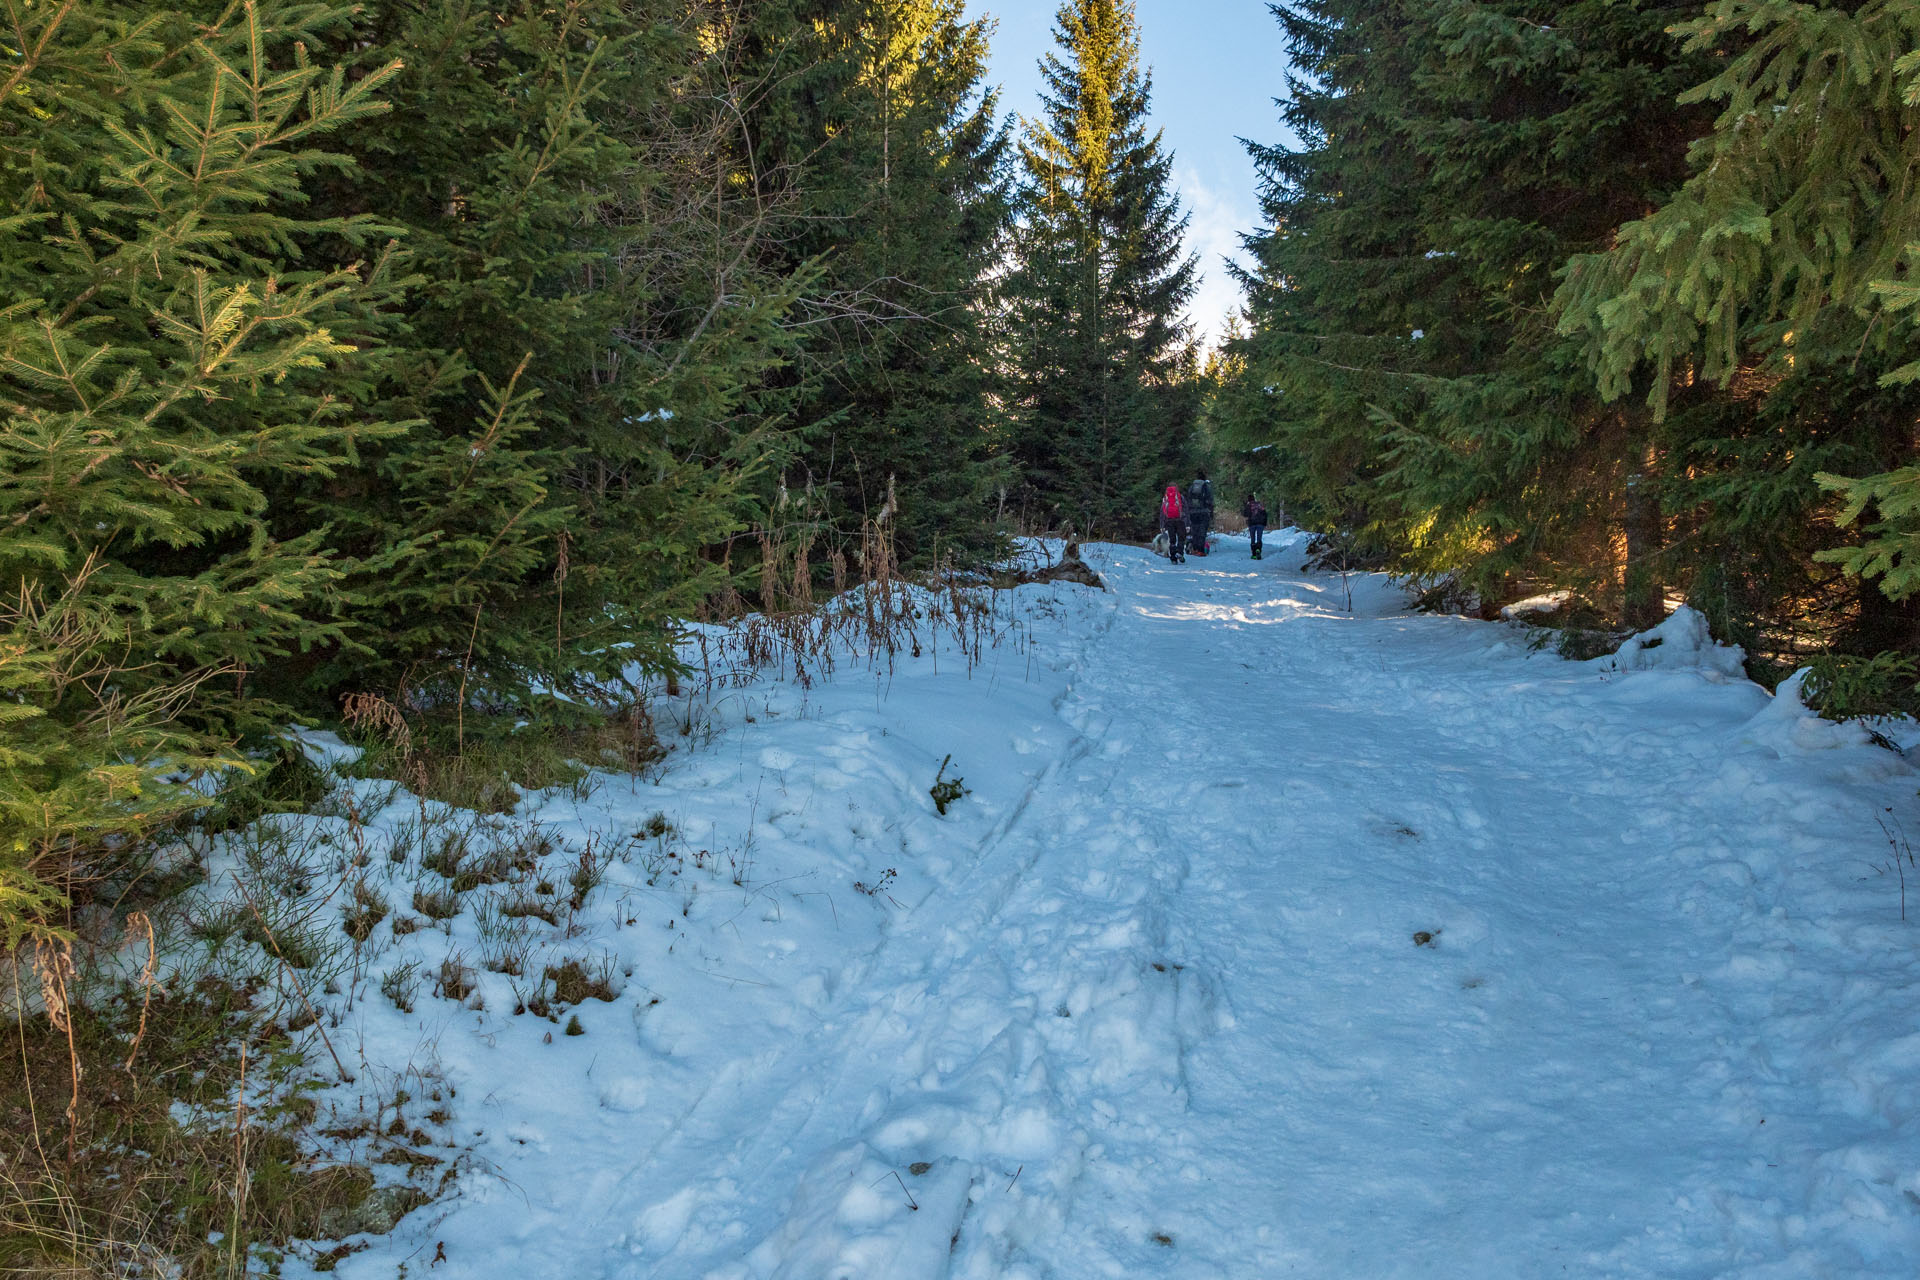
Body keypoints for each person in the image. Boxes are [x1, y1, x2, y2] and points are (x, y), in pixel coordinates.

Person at [1187, 469, 1214, 556]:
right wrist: (1211, 512)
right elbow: (1210, 501)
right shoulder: (1206, 487)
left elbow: (1188, 499)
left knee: (1194, 531)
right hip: (1203, 512)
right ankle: (1200, 550)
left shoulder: (1192, 487)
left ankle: (1194, 549)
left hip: (1193, 512)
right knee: (1202, 531)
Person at [1159, 483, 1187, 562]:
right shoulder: (1180, 497)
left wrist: (1162, 525)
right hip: (1180, 520)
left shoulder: (1165, 498)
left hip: (1169, 521)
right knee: (1181, 538)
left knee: (1172, 540)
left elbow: (1162, 512)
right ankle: (1180, 553)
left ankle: (1173, 558)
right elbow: (1185, 510)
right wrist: (1187, 523)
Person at [1242, 493, 1268, 559]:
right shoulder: (1259, 504)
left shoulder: (1248, 505)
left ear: (1248, 500)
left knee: (1253, 539)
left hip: (1252, 524)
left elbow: (1245, 514)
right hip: (1260, 524)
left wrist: (1246, 506)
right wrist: (1264, 523)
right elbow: (1265, 513)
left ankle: (1253, 555)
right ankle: (1258, 550)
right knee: (1259, 538)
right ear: (1254, 498)